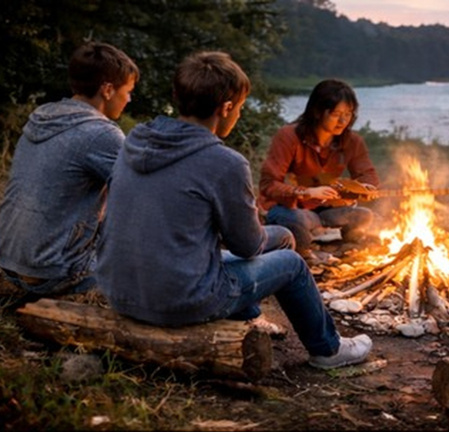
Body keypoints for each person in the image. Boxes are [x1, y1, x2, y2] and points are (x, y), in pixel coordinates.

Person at [95, 51, 372, 370]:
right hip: (177, 300)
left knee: (280, 235)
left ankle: (251, 319)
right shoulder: (224, 163)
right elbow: (246, 245)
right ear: (226, 108)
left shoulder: (135, 141)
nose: (238, 114)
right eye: (239, 108)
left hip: (118, 291)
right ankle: (328, 349)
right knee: (292, 263)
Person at [0, 42, 140, 296]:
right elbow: (145, 197)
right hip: (53, 273)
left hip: (8, 261)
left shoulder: (42, 116)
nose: (129, 99)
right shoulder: (101, 133)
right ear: (108, 90)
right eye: (128, 91)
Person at [258, 79, 380, 263]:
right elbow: (268, 185)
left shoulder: (351, 141)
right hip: (290, 209)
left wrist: (363, 187)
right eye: (336, 114)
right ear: (317, 111)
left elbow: (368, 175)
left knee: (364, 215)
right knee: (296, 220)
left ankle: (334, 241)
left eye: (348, 114)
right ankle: (306, 249)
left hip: (326, 211)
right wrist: (305, 192)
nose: (342, 121)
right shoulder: (289, 137)